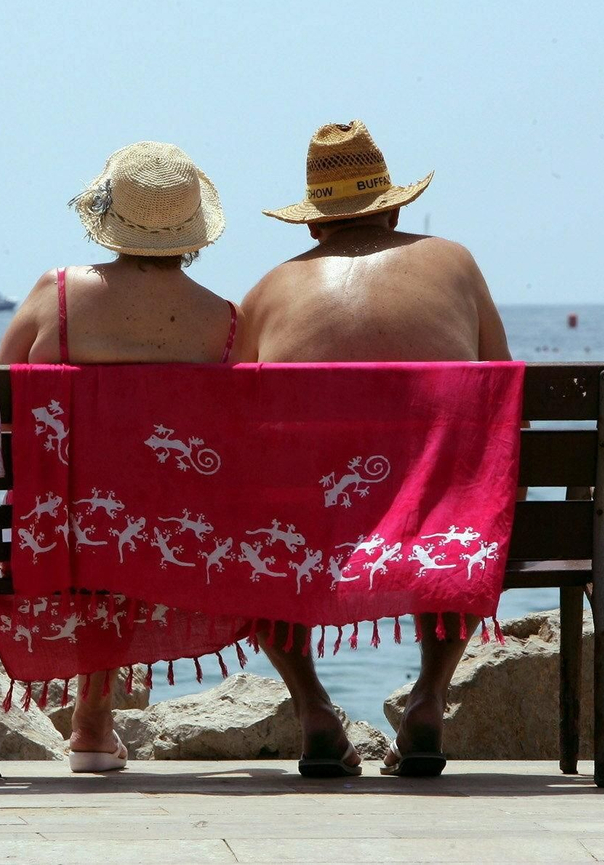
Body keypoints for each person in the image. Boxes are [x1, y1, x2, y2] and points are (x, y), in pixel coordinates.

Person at [236, 120, 516, 777]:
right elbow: (501, 394)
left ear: (311, 224)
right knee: (459, 483)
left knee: (247, 515)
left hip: (307, 528)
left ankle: (312, 707)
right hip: (442, 521)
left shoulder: (269, 289)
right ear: (393, 207)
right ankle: (430, 695)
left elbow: (236, 425)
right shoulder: (455, 262)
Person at [0, 140, 239, 772]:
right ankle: (94, 721)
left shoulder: (58, 295)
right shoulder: (226, 321)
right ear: (192, 230)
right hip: (164, 530)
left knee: (94, 502)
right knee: (137, 502)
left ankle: (92, 721)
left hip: (55, 522)